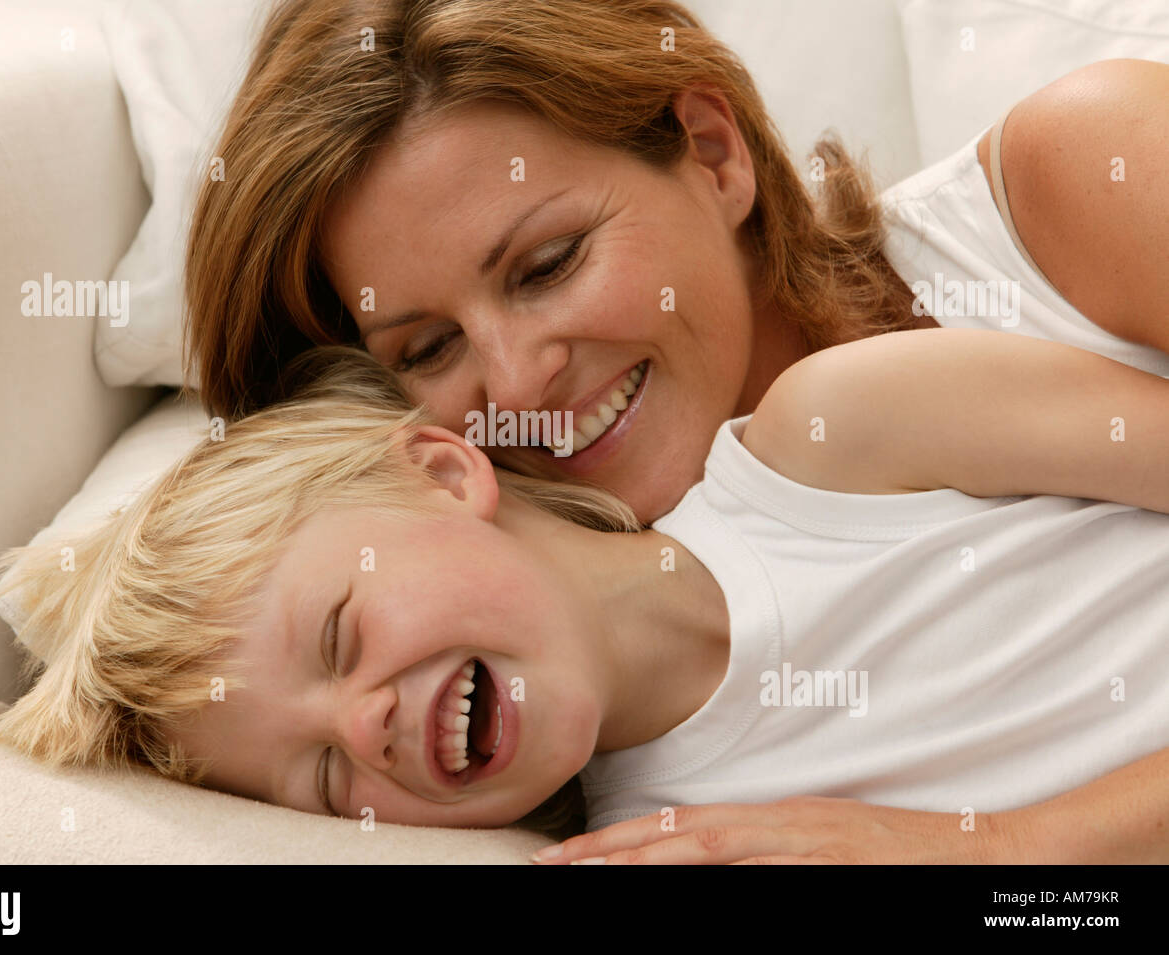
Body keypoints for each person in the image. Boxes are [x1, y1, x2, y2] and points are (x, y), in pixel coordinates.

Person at [182, 0, 1169, 862]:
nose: (519, 378)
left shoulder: (1084, 169)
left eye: (548, 264)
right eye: (429, 347)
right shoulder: (594, 730)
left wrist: (1019, 849)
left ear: (712, 152)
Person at [0, 339, 1169, 859]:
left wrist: (997, 852)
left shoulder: (845, 436)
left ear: (446, 470)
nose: (364, 728)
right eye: (324, 781)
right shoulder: (683, 848)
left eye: (340, 636)